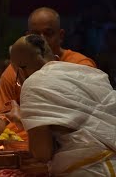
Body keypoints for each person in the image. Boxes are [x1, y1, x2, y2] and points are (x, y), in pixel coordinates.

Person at [7, 34, 116, 176]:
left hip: (90, 168)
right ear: (56, 60)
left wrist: (22, 119)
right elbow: (80, 121)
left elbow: (42, 153)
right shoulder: (89, 73)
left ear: (21, 71)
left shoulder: (33, 83)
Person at [0, 7, 97, 140]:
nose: (42, 40)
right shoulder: (15, 70)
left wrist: (25, 121)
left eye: (48, 33)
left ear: (60, 36)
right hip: (18, 147)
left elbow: (77, 121)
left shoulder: (80, 66)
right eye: (36, 35)